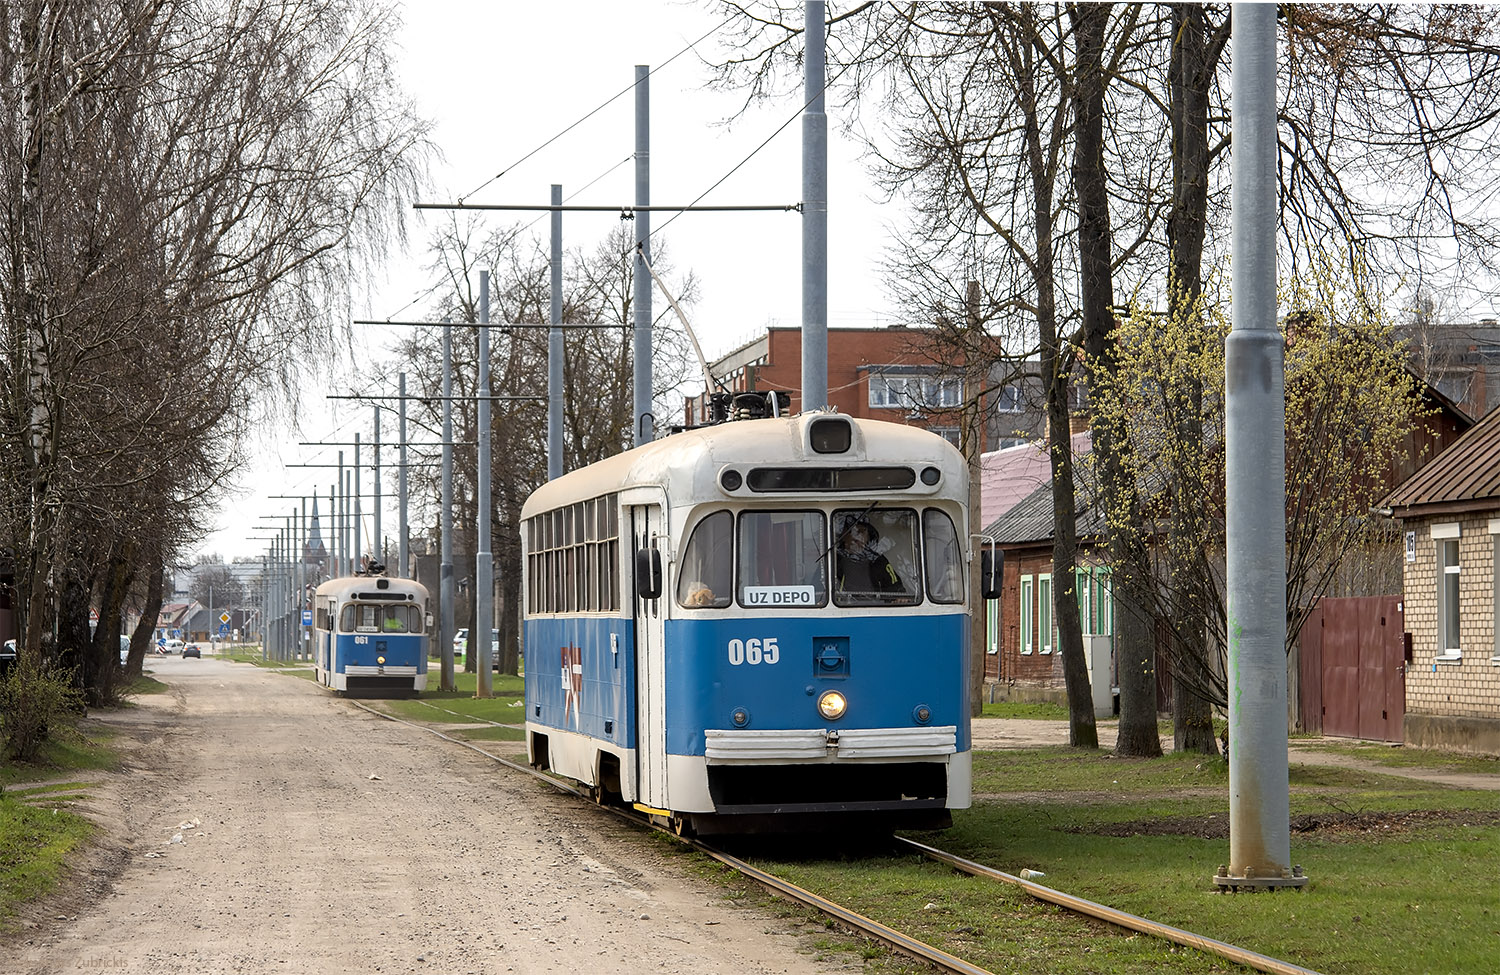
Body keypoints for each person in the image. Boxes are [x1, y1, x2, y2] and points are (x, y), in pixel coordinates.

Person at [835, 517, 903, 595]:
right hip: (842, 606)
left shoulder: (878, 561)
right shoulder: (834, 560)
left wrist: (900, 597)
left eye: (861, 532)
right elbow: (821, 585)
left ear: (868, 535)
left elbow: (895, 586)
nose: (857, 537)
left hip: (875, 606)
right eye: (851, 532)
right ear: (844, 536)